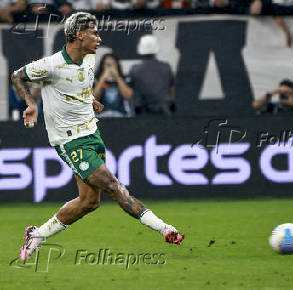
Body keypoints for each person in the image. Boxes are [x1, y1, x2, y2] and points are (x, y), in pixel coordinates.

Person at [11, 12, 184, 262]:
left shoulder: (90, 58)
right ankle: (165, 229)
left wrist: (90, 100)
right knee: (114, 185)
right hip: (70, 141)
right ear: (79, 35)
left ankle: (36, 235)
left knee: (89, 202)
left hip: (92, 133)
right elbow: (17, 76)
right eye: (94, 33)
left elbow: (80, 85)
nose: (99, 38)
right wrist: (30, 103)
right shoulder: (51, 65)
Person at [129, 35, 175, 116]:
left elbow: (131, 92)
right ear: (156, 49)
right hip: (164, 111)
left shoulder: (135, 69)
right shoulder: (166, 67)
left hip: (142, 113)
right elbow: (171, 89)